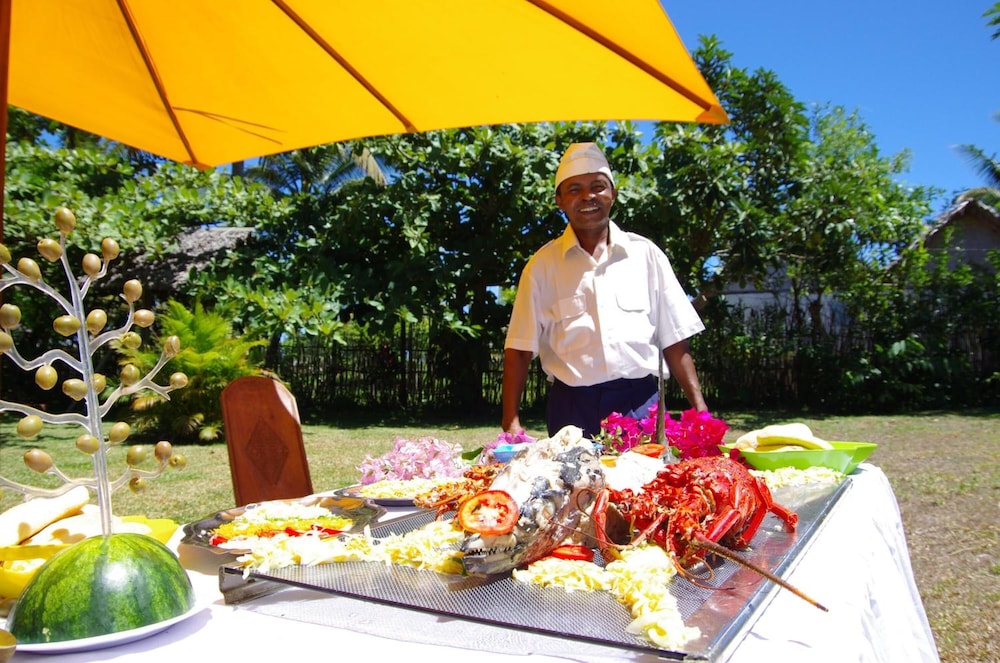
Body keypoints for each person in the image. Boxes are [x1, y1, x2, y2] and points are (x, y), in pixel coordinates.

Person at [501, 142, 708, 439]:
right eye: (574, 189)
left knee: (646, 472)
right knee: (572, 473)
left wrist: (701, 412)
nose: (588, 196)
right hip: (571, 410)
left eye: (598, 186)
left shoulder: (646, 255)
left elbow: (675, 340)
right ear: (559, 200)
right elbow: (519, 350)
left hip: (641, 406)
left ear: (613, 194)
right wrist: (510, 422)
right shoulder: (541, 267)